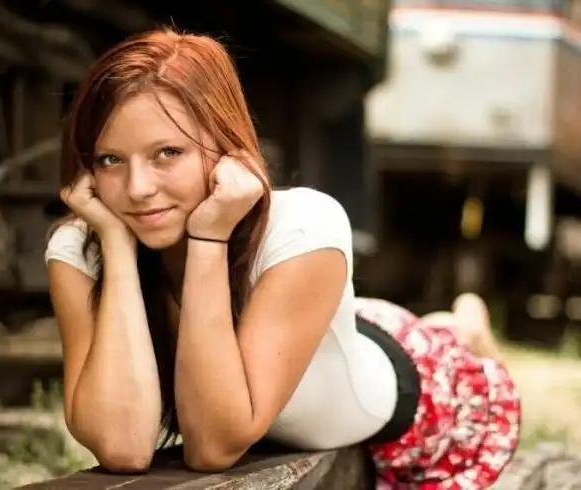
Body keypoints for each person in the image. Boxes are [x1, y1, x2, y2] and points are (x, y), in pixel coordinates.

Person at [45, 28, 520, 489]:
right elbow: (123, 448)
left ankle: (465, 326)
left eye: (168, 153)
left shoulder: (303, 224)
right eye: (110, 160)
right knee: (352, 325)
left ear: (225, 146)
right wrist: (117, 248)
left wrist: (210, 237)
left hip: (412, 383)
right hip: (321, 332)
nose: (138, 188)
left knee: (439, 342)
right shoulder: (83, 247)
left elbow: (212, 447)